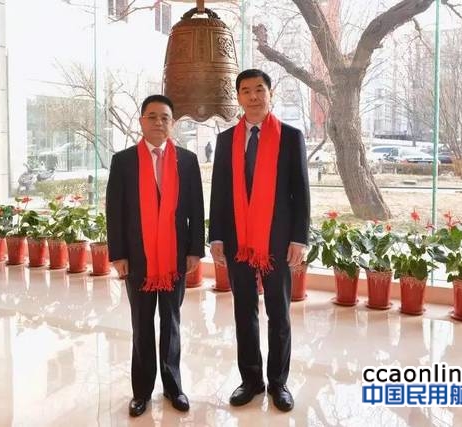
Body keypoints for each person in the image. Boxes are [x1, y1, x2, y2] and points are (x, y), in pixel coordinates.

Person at [208, 69, 310, 412]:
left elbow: (301, 193)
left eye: (259, 90)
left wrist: (299, 238)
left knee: (279, 313)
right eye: (246, 91)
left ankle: (278, 382)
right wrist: (216, 236)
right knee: (244, 311)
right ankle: (251, 380)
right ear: (238, 96)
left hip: (277, 240)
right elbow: (219, 192)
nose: (253, 96)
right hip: (237, 238)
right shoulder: (226, 140)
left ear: (270, 93)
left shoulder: (290, 137)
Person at [106, 94, 205, 417]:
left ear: (172, 123)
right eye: (152, 116)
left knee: (172, 323)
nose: (158, 122)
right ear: (141, 121)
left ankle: (174, 387)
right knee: (142, 324)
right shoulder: (124, 161)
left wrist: (195, 249)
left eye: (165, 117)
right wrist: (118, 254)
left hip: (175, 257)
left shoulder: (187, 161)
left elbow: (196, 208)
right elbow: (115, 212)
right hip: (138, 258)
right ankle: (142, 391)